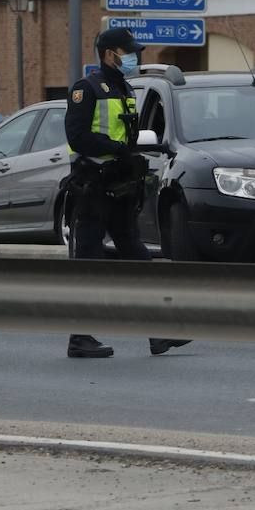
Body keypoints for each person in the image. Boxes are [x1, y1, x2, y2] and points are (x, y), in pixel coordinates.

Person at [63, 27, 190, 359]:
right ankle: (79, 337)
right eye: (129, 51)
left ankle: (159, 331)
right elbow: (77, 137)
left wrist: (130, 157)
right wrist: (118, 150)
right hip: (92, 187)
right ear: (109, 54)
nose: (135, 57)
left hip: (119, 188)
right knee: (88, 262)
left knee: (138, 259)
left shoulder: (125, 88)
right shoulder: (86, 88)